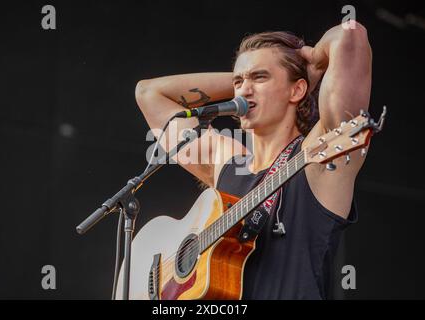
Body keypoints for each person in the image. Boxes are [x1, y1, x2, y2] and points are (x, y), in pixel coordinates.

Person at [134, 21, 372, 299]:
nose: (244, 90)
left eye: (260, 78)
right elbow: (149, 94)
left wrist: (312, 65)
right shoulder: (226, 161)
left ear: (297, 90)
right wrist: (252, 81)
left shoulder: (319, 155)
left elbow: (351, 35)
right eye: (238, 81)